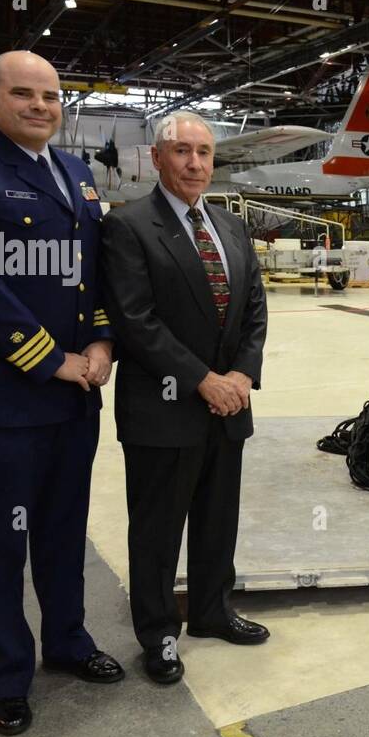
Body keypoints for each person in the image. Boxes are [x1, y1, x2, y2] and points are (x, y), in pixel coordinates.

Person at [0, 51, 123, 736]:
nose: (41, 106)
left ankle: (68, 642)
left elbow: (92, 274)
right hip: (4, 403)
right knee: (2, 545)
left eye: (51, 95)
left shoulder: (75, 174)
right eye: (25, 94)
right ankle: (7, 677)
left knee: (64, 534)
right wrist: (53, 361)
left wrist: (100, 344)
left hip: (75, 396)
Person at [99, 111, 269, 685]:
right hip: (165, 408)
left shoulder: (230, 226)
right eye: (182, 152)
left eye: (204, 152)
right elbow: (136, 321)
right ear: (157, 157)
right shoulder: (129, 227)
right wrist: (205, 380)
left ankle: (212, 611)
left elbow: (253, 309)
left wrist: (243, 375)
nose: (195, 163)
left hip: (229, 407)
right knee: (157, 528)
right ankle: (157, 632)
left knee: (218, 520)